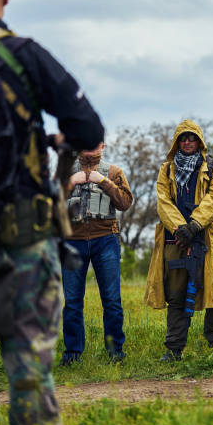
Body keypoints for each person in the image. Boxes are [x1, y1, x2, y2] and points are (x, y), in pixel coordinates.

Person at [0, 0, 104, 425]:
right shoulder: (24, 56)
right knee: (28, 370)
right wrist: (50, 139)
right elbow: (88, 128)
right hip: (20, 241)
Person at [144, 119, 213, 361]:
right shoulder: (166, 169)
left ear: (199, 141)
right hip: (176, 240)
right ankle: (174, 349)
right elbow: (163, 202)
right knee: (176, 294)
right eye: (183, 138)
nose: (187, 142)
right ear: (176, 142)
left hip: (206, 238)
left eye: (191, 137)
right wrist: (180, 228)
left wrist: (194, 225)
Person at [60, 142, 132, 365]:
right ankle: (72, 354)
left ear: (103, 146)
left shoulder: (113, 172)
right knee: (72, 301)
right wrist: (71, 182)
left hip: (106, 240)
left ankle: (115, 353)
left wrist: (104, 182)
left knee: (111, 300)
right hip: (72, 242)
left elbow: (125, 202)